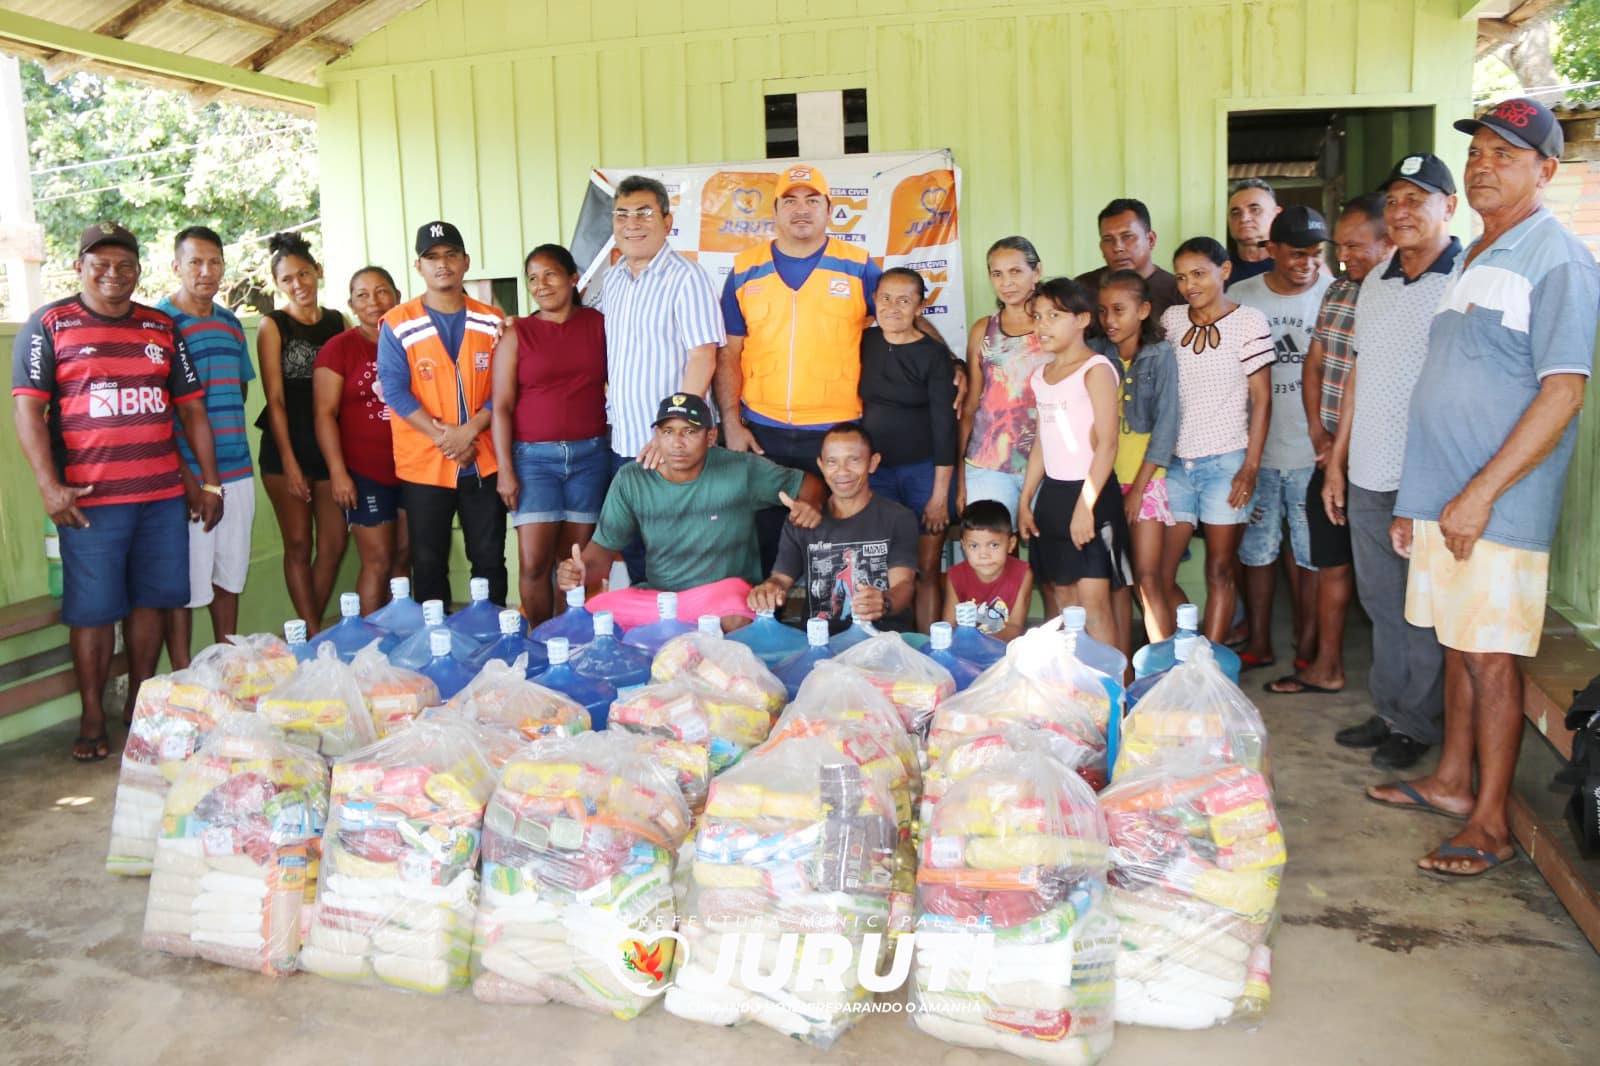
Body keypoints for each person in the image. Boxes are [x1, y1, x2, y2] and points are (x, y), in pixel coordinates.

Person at [1382, 99, 1598, 880]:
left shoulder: (1558, 259)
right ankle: (1451, 780)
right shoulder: (1476, 254)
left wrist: (1478, 495)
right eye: (1477, 152)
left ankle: (1491, 824)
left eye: (1506, 154)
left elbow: (1562, 392)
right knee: (1457, 643)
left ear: (1546, 170)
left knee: (1490, 659)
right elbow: (1451, 383)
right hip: (1446, 500)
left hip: (1494, 507)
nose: (1483, 165)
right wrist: (1418, 500)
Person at [11, 222, 222, 761]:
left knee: (153, 601)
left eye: (124, 264)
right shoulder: (48, 325)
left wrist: (209, 481)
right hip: (90, 503)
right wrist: (48, 487)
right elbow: (28, 410)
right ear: (79, 267)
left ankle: (139, 706)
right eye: (100, 264)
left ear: (138, 270)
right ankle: (91, 716)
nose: (113, 274)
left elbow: (191, 408)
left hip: (160, 497)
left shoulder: (161, 327)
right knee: (92, 612)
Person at [1323, 155, 1460, 771]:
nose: (1402, 211)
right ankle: (1389, 711)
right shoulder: (1376, 280)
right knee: (1380, 601)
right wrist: (1337, 462)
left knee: (1421, 607)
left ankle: (1416, 724)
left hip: (1428, 476)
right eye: (1395, 200)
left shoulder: (1463, 278)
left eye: (1416, 199)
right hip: (1367, 469)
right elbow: (1358, 371)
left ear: (1448, 207)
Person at [558, 394, 825, 630]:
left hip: (722, 595)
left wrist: (811, 505)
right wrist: (580, 571)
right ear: (656, 437)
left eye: (689, 432)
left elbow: (809, 484)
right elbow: (602, 550)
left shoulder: (739, 469)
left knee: (734, 616)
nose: (677, 442)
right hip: (660, 599)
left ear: (710, 437)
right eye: (668, 432)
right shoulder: (632, 479)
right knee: (593, 619)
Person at [1274, 193, 1391, 698]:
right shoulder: (1338, 291)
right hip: (1329, 456)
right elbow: (1315, 363)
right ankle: (1326, 666)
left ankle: (1399, 695)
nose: (1343, 258)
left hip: (1377, 458)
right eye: (1339, 247)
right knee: (1330, 563)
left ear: (1388, 241)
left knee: (1385, 579)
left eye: (1355, 246)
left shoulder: (1399, 296)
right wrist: (1318, 434)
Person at [592, 175, 723, 582]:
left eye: (644, 213)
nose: (632, 223)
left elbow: (703, 356)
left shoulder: (687, 277)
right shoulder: (613, 279)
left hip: (674, 451)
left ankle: (693, 628)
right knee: (639, 561)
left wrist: (672, 433)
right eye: (622, 214)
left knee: (684, 563)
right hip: (625, 445)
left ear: (667, 221)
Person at [377, 220, 507, 606]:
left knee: (489, 559)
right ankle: (437, 637)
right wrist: (446, 438)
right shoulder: (398, 323)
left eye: (451, 255)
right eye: (432, 257)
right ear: (418, 266)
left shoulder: (492, 319)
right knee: (428, 563)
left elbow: (504, 387)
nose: (442, 264)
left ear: (466, 261)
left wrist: (469, 431)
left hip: (483, 460)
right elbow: (395, 391)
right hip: (424, 465)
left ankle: (492, 633)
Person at [1230, 207, 1332, 676]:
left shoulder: (1334, 294)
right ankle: (1259, 642)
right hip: (1257, 454)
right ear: (1270, 250)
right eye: (1296, 254)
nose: (1307, 264)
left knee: (1311, 556)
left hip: (1314, 454)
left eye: (1315, 254)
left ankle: (1307, 645)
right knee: (1256, 553)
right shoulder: (1241, 298)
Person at [1161, 237, 1275, 645]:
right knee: (1159, 574)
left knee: (1219, 570)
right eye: (1181, 277)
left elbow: (1262, 400)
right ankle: (1186, 652)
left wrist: (1250, 466)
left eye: (1198, 274)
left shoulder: (1249, 322)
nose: (1189, 285)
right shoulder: (1172, 319)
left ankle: (1207, 664)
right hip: (1176, 463)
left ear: (1224, 271)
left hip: (1227, 464)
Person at [491, 244, 608, 626]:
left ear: (573, 279)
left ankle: (570, 640)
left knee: (574, 563)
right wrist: (505, 469)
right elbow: (501, 406)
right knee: (533, 562)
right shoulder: (517, 333)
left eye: (550, 274)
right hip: (533, 462)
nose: (541, 285)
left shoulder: (598, 324)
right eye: (532, 278)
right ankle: (541, 640)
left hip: (589, 459)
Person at [156, 226, 256, 666]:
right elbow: (161, 411)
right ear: (176, 267)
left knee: (229, 580)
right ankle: (183, 675)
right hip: (190, 478)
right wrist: (188, 479)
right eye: (195, 262)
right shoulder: (159, 324)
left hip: (238, 472)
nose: (206, 271)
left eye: (214, 262)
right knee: (184, 587)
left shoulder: (231, 323)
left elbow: (240, 389)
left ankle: (228, 667)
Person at [1018, 277, 1129, 650]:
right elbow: (1042, 442)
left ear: (1082, 319)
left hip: (1092, 495)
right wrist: (1026, 499)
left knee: (1094, 606)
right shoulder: (1041, 375)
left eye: (1054, 315)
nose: (1042, 325)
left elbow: (1108, 444)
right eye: (1037, 316)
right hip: (1053, 497)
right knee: (1065, 601)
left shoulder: (1096, 368)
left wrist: (1086, 507)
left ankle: (1113, 684)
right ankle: (1076, 682)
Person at [858, 267, 959, 631]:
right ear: (874, 300)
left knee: (927, 567)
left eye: (904, 301)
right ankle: (883, 644)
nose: (893, 308)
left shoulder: (933, 356)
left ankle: (930, 647)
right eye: (885, 298)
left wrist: (939, 496)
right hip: (877, 475)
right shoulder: (864, 342)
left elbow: (945, 428)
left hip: (924, 473)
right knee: (881, 568)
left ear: (920, 306)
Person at [256, 231, 347, 631]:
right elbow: (274, 399)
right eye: (287, 279)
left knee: (334, 543)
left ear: (317, 271)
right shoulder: (273, 325)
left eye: (304, 274)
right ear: (277, 285)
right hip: (285, 448)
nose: (298, 284)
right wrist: (290, 463)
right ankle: (311, 634)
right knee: (298, 543)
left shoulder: (337, 322)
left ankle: (307, 633)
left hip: (329, 448)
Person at [748, 422, 919, 633]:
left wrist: (884, 602)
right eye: (832, 462)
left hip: (881, 638)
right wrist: (769, 590)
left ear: (872, 463)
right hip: (819, 639)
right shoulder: (803, 518)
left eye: (853, 460)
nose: (842, 471)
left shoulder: (898, 517)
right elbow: (781, 579)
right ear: (820, 465)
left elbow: (904, 585)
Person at [313, 266, 409, 615]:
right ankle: (370, 639)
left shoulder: (411, 342)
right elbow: (324, 414)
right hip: (366, 472)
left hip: (413, 468)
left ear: (397, 296)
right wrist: (338, 473)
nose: (374, 301)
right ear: (351, 304)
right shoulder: (338, 349)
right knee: (378, 560)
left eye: (382, 291)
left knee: (404, 556)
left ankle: (399, 633)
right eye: (363, 295)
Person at [1093, 270, 1181, 646]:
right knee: (1116, 581)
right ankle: (1123, 670)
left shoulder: (1160, 355)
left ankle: (1166, 667)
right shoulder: (1097, 354)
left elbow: (1166, 427)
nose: (1109, 320)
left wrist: (1138, 490)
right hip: (1104, 481)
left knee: (1146, 578)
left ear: (1143, 310)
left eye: (1119, 310)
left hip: (1145, 482)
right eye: (1102, 311)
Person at [958, 236, 1048, 525]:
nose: (1006, 282)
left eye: (1015, 271)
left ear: (1036, 271)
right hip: (988, 465)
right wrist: (959, 475)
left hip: (1048, 463)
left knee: (1046, 547)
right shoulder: (983, 329)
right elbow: (971, 406)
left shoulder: (1053, 326)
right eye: (997, 274)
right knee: (990, 545)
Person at [1074, 198, 1183, 322]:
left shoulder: (1179, 292)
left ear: (1150, 240)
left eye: (1127, 237)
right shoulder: (1082, 288)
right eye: (1108, 239)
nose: (1117, 247)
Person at [943, 500, 1033, 642]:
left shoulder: (1023, 575)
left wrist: (982, 643)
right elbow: (949, 626)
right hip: (965, 647)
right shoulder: (955, 576)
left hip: (1003, 649)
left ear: (1011, 544)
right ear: (964, 546)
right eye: (974, 546)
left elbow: (1015, 627)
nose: (983, 555)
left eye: (993, 545)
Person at [1225, 179, 1281, 288]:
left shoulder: (1293, 268)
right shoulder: (1218, 272)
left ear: (1276, 214)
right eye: (1236, 212)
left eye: (1255, 210)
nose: (1244, 218)